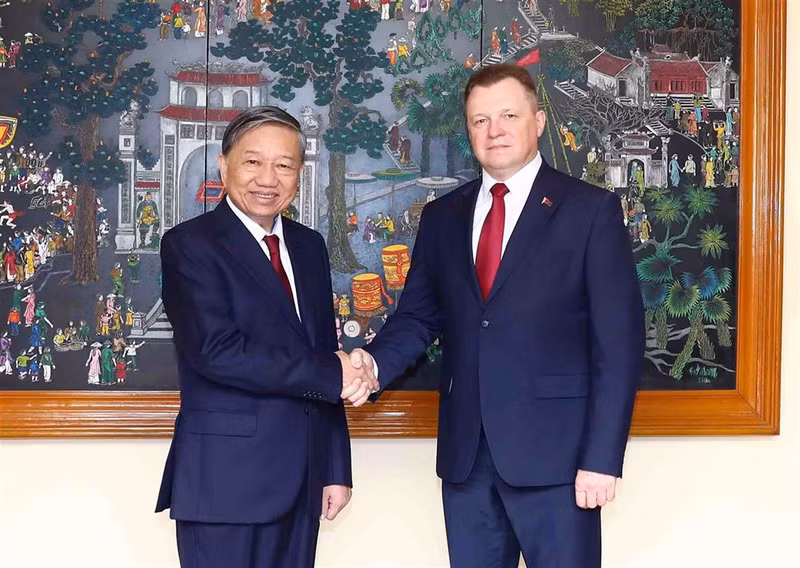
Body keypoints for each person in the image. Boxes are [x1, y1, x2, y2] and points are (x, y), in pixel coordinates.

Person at [349, 65, 644, 567]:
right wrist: (371, 366)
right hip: (467, 463)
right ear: (468, 131)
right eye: (479, 119)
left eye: (508, 114)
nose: (495, 130)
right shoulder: (441, 217)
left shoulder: (590, 211)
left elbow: (618, 345)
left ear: (539, 120)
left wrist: (601, 458)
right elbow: (418, 318)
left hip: (561, 463)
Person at [155, 107, 377, 568]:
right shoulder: (189, 245)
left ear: (299, 174)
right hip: (225, 482)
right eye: (253, 161)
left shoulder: (309, 246)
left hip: (304, 478)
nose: (268, 178)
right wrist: (335, 370)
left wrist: (335, 467)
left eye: (284, 165)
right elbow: (216, 352)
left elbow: (321, 349)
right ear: (224, 165)